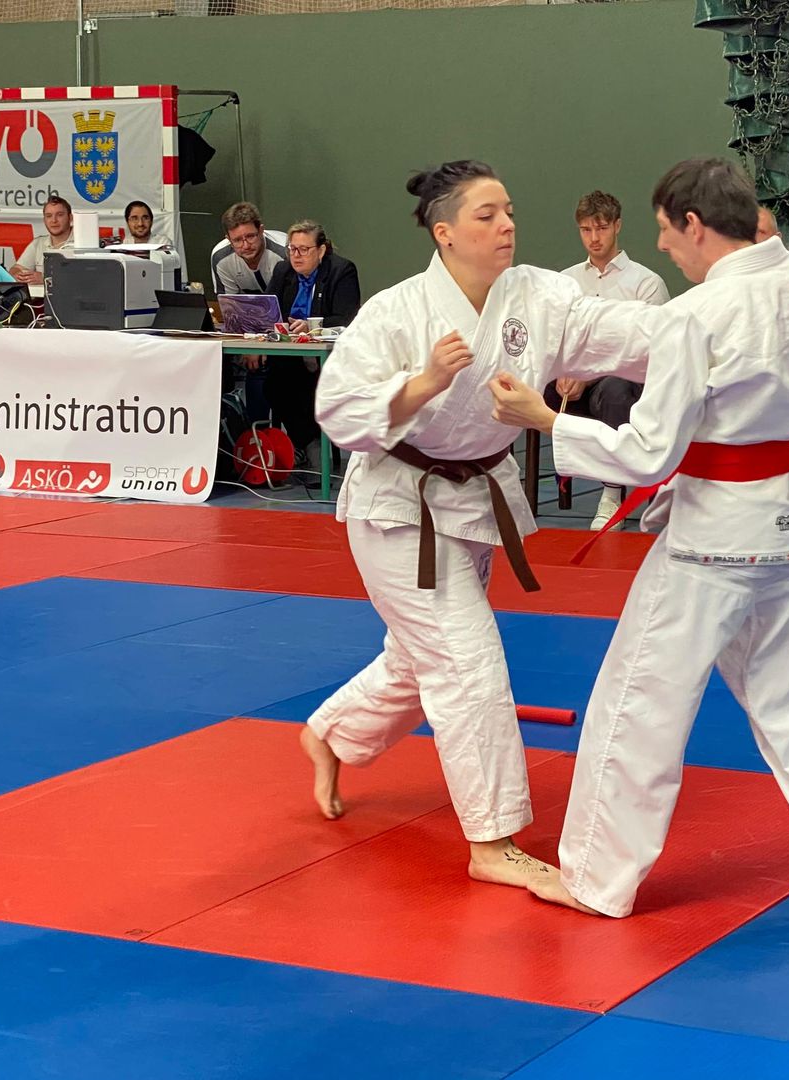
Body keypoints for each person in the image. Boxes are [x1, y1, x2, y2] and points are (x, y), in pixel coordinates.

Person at [487, 157, 789, 923]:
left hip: (715, 535)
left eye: (664, 230)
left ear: (694, 224)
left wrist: (546, 420)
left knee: (637, 703)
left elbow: (649, 452)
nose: (662, 246)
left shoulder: (699, 314)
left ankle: (596, 880)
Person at [300, 160, 662, 890]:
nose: (506, 226)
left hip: (472, 501)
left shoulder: (537, 295)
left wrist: (713, 324)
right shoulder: (398, 313)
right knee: (466, 661)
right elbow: (336, 409)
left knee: (421, 658)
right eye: (487, 215)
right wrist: (423, 383)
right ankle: (493, 842)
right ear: (445, 233)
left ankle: (332, 733)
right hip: (397, 508)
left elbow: (621, 329)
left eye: (509, 212)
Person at [554, 190, 670, 528]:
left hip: (624, 382)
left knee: (616, 391)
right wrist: (561, 370)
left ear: (617, 226)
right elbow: (553, 337)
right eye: (586, 230)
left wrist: (589, 373)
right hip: (572, 381)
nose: (594, 237)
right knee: (528, 387)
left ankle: (611, 492)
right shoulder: (565, 281)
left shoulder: (646, 283)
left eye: (601, 228)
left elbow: (649, 350)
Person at [267, 220, 362, 459]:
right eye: (292, 249)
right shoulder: (283, 271)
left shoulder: (341, 270)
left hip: (327, 353)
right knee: (270, 378)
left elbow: (346, 317)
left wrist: (310, 327)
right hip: (289, 352)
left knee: (295, 376)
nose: (296, 255)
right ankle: (298, 441)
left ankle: (308, 442)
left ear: (321, 251)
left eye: (303, 249)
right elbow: (269, 310)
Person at [210, 202, 287, 294]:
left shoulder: (286, 253)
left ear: (261, 231)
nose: (246, 246)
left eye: (250, 236)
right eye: (237, 240)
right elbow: (229, 301)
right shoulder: (221, 258)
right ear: (229, 240)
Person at [11, 196, 76, 284]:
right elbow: (16, 268)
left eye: (60, 215)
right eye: (49, 216)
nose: (54, 220)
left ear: (70, 218)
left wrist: (46, 279)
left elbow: (86, 279)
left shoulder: (85, 243)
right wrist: (18, 275)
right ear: (44, 220)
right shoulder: (38, 243)